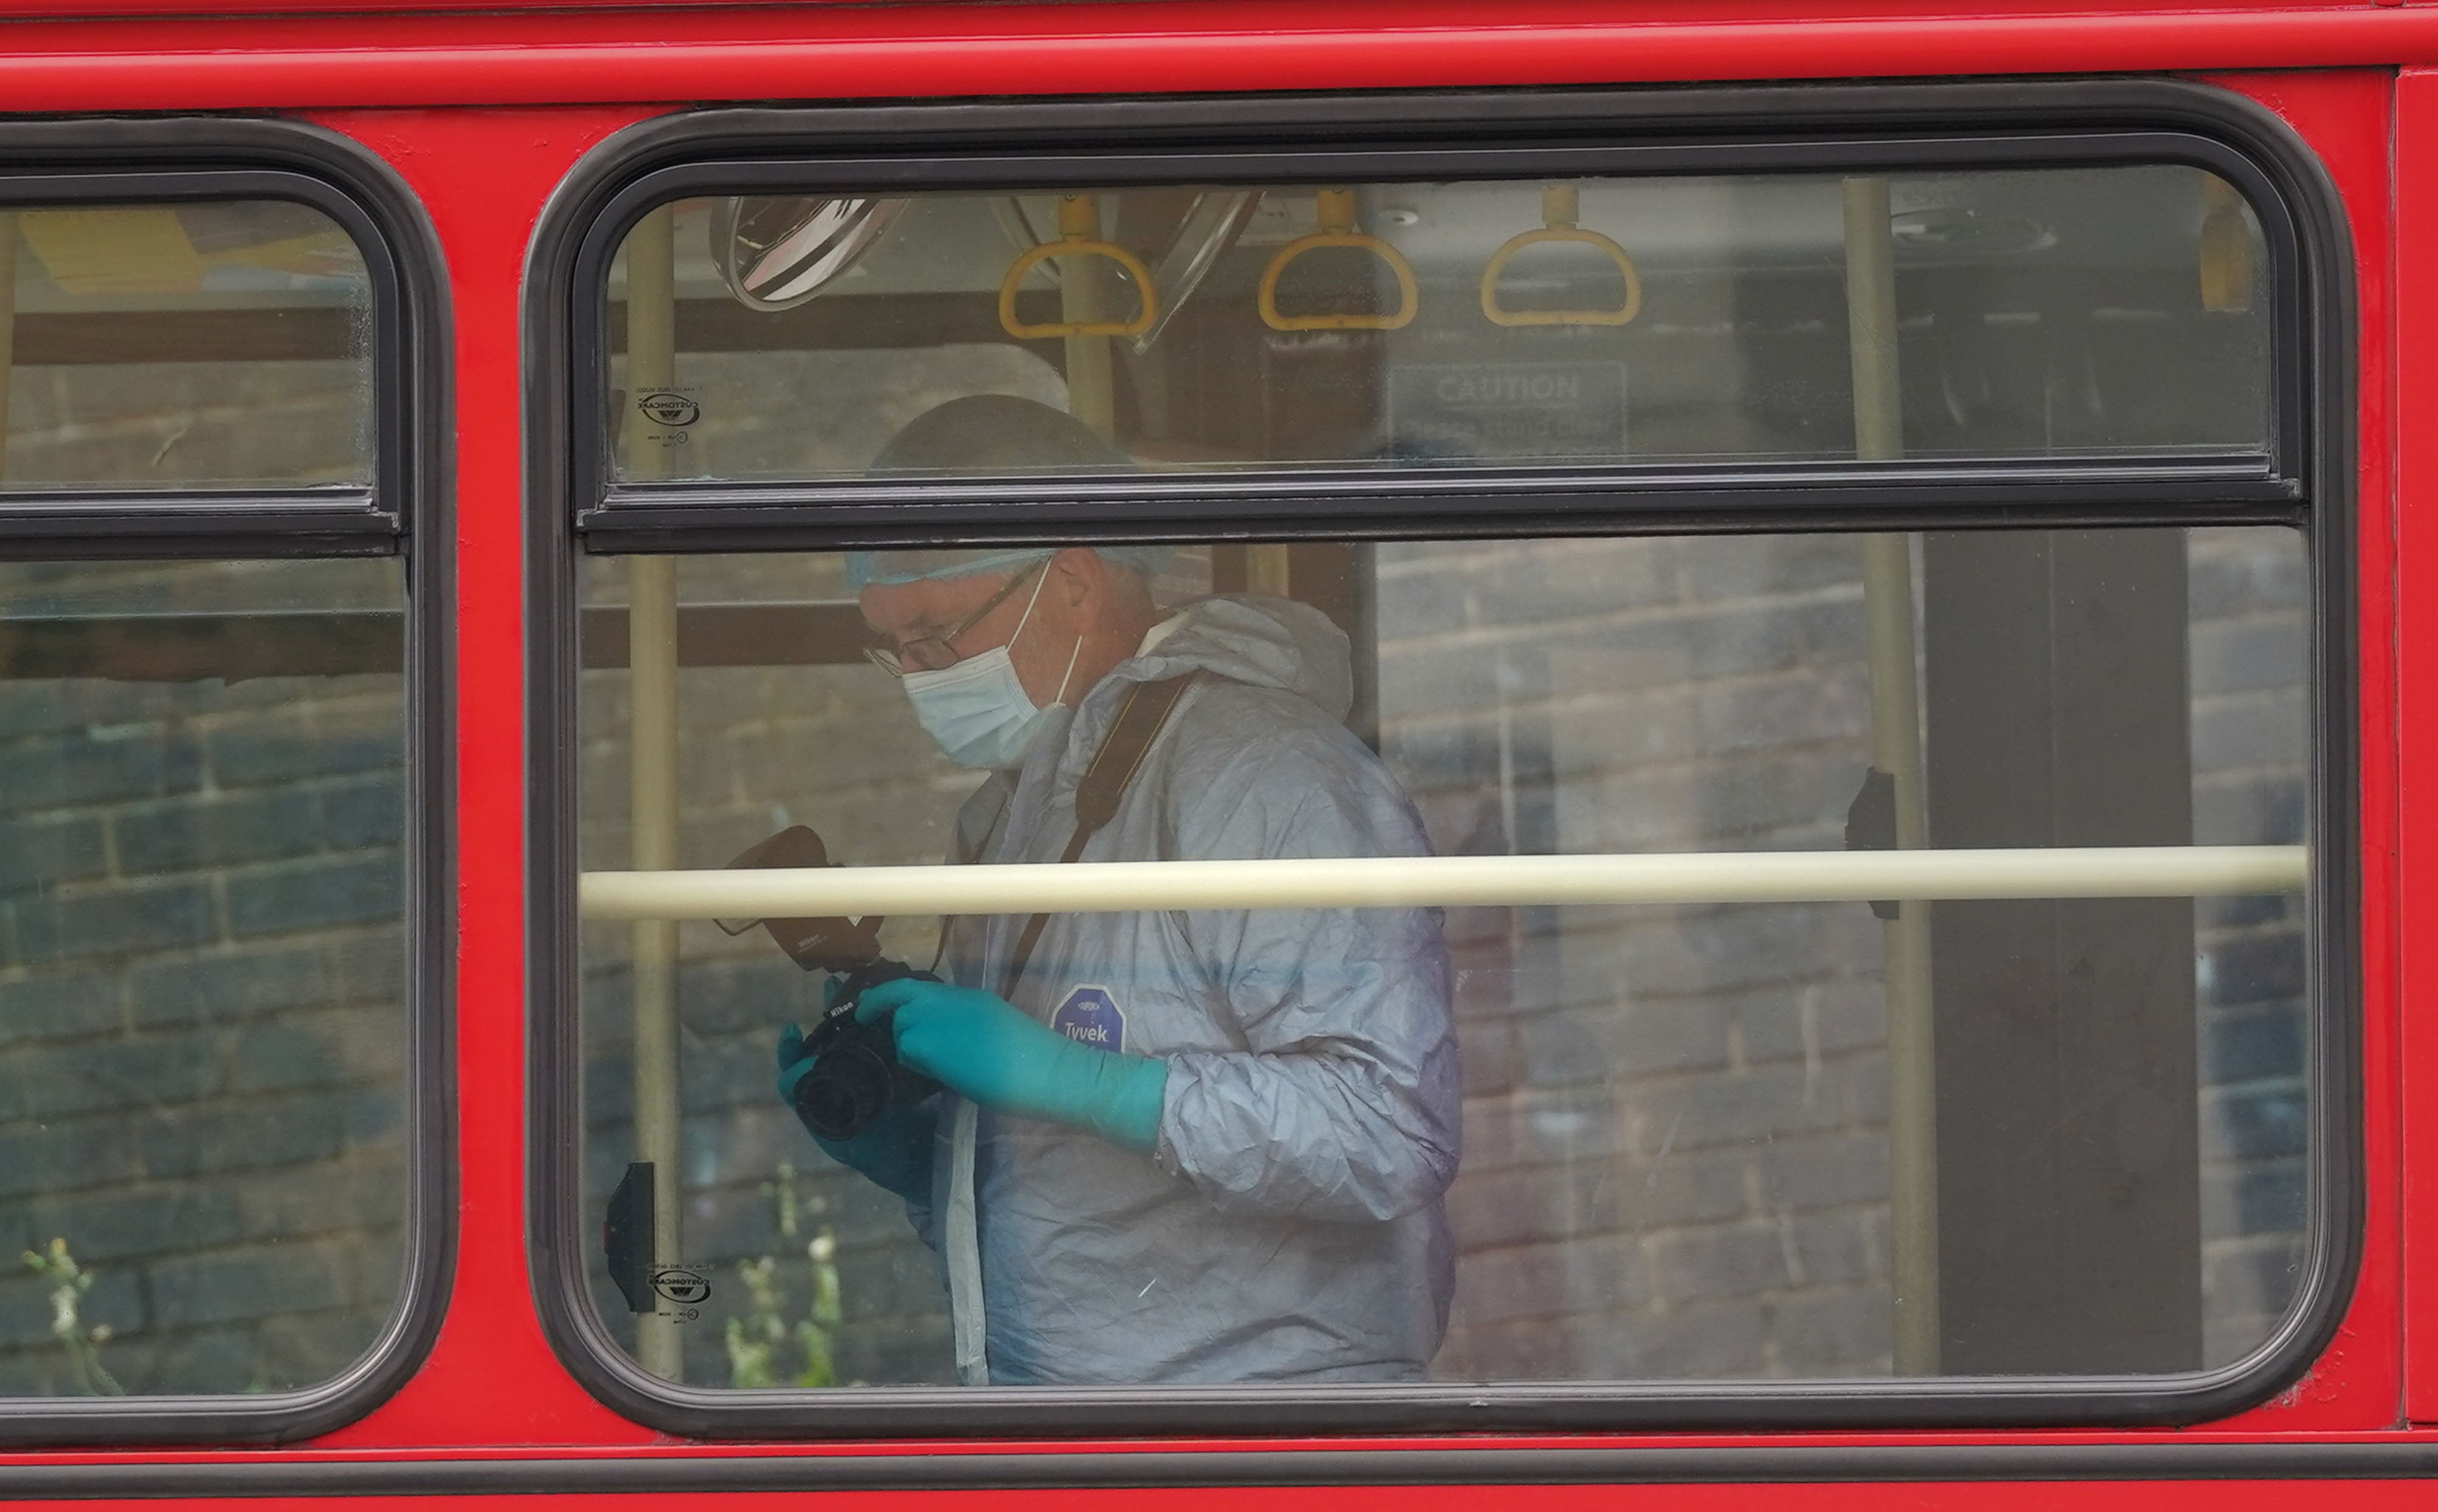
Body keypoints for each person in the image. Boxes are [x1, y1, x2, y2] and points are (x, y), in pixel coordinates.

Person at [776, 394, 1459, 1386]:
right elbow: (1072, 1207)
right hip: (1080, 1418)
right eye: (894, 650)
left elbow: (1388, 1128)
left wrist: (1092, 1083)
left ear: (1075, 586)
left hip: (1261, 1434)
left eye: (935, 638)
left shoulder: (1262, 775)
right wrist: (915, 1149)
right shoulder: (1018, 808)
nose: (917, 678)